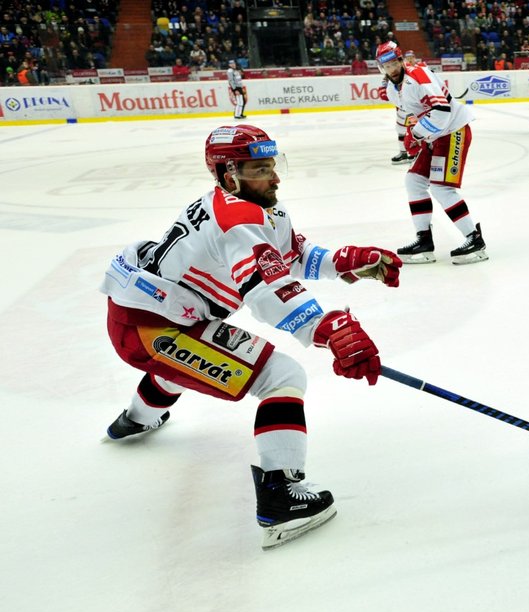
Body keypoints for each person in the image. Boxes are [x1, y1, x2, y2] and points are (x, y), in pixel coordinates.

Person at [100, 124, 402, 549]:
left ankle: (136, 418)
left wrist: (350, 261)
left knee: (178, 368)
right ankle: (280, 498)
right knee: (282, 377)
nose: (275, 177)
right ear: (229, 174)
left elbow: (292, 255)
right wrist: (326, 328)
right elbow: (267, 290)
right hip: (151, 329)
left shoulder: (252, 208)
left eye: (273, 165)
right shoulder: (238, 218)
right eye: (261, 169)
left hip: (157, 320)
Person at [376, 41, 487, 264]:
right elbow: (414, 113)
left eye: (394, 63)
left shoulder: (418, 76)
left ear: (401, 60)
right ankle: (424, 240)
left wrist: (415, 134)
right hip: (435, 136)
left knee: (441, 188)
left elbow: (442, 110)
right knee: (414, 182)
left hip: (454, 130)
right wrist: (415, 132)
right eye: (386, 66)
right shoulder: (392, 88)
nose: (392, 70)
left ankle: (474, 240)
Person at [385, 50, 423, 164]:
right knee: (400, 129)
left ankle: (416, 152)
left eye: (412, 57)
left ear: (415, 57)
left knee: (416, 129)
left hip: (414, 107)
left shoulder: (420, 68)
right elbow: (390, 85)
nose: (410, 59)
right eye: (408, 57)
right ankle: (403, 152)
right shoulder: (401, 70)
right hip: (402, 108)